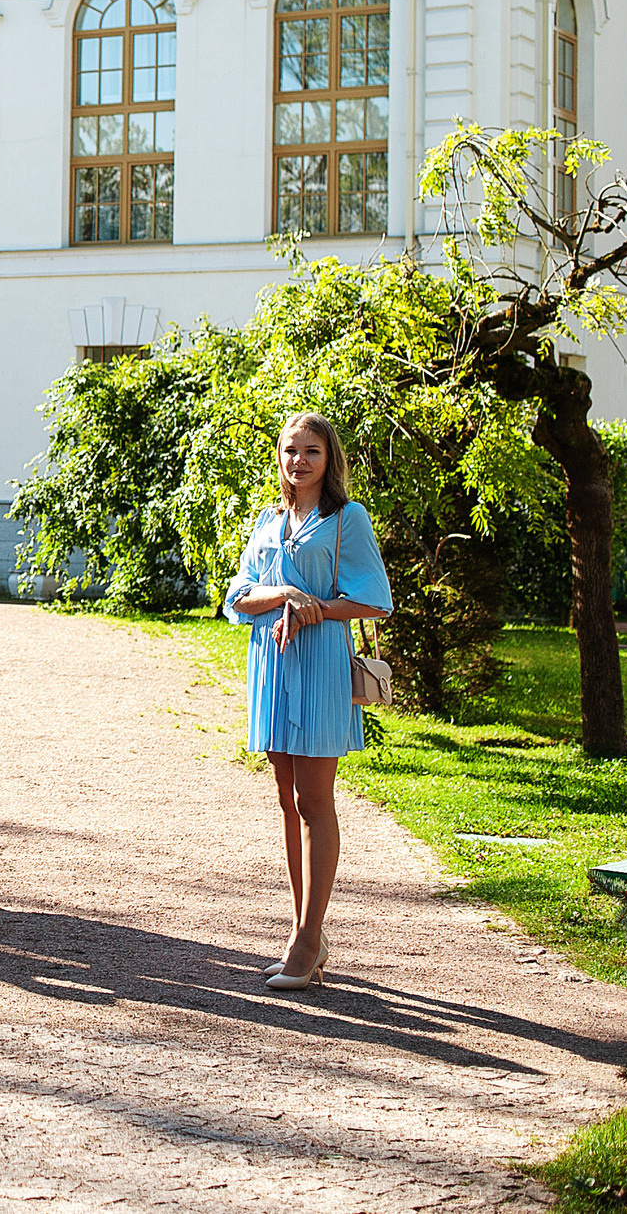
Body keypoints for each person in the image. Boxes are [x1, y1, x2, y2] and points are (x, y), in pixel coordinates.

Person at [220, 412, 391, 991]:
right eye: (290, 449)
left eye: (311, 451)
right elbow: (238, 596)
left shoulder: (347, 520)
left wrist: (313, 606)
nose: (299, 460)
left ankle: (309, 937)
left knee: (314, 799)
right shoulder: (268, 519)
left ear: (329, 459)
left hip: (318, 665)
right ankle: (301, 933)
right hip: (271, 664)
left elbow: (373, 599)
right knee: (287, 801)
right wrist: (286, 593)